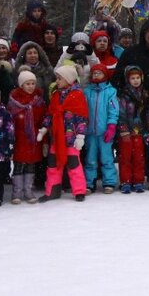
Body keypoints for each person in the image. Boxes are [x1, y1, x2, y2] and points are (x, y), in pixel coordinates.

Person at [39, 65, 90, 202]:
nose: (57, 81)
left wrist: (80, 135)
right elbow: (50, 113)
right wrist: (44, 128)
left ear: (68, 79)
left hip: (71, 138)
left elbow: (82, 118)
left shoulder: (77, 95)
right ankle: (53, 190)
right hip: (56, 137)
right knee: (53, 164)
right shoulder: (56, 95)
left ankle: (79, 190)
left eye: (59, 78)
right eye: (57, 78)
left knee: (74, 164)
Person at [8, 70, 47, 204]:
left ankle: (28, 190)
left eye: (32, 83)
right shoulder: (15, 101)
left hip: (33, 138)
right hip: (19, 137)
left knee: (31, 165)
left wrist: (43, 135)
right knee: (19, 165)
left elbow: (43, 119)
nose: (30, 86)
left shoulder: (38, 101)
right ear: (21, 85)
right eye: (27, 84)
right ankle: (17, 192)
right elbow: (10, 121)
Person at [81, 62, 120, 195]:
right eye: (94, 73)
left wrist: (111, 126)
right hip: (90, 131)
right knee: (90, 158)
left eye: (99, 73)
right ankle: (89, 182)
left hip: (104, 131)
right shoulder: (87, 92)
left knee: (107, 157)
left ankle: (109, 181)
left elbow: (113, 110)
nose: (96, 75)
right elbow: (83, 110)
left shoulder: (110, 92)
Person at [117, 65, 149, 194]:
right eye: (133, 78)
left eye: (138, 78)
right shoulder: (124, 95)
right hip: (126, 131)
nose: (136, 80)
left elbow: (148, 112)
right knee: (125, 157)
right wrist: (123, 128)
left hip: (140, 131)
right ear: (128, 79)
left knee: (139, 157)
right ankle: (125, 181)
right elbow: (121, 113)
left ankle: (138, 181)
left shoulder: (145, 94)